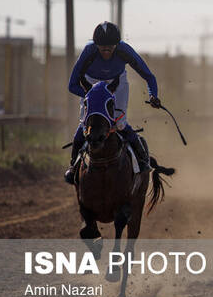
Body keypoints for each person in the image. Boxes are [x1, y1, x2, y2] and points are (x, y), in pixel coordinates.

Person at [65, 22, 160, 184]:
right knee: (85, 125)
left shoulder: (125, 50)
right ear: (96, 45)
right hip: (92, 84)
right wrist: (90, 95)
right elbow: (72, 85)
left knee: (120, 123)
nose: (106, 51)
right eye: (102, 48)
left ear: (117, 44)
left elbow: (149, 76)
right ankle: (73, 165)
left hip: (117, 84)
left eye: (110, 47)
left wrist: (153, 95)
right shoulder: (89, 51)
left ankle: (142, 160)